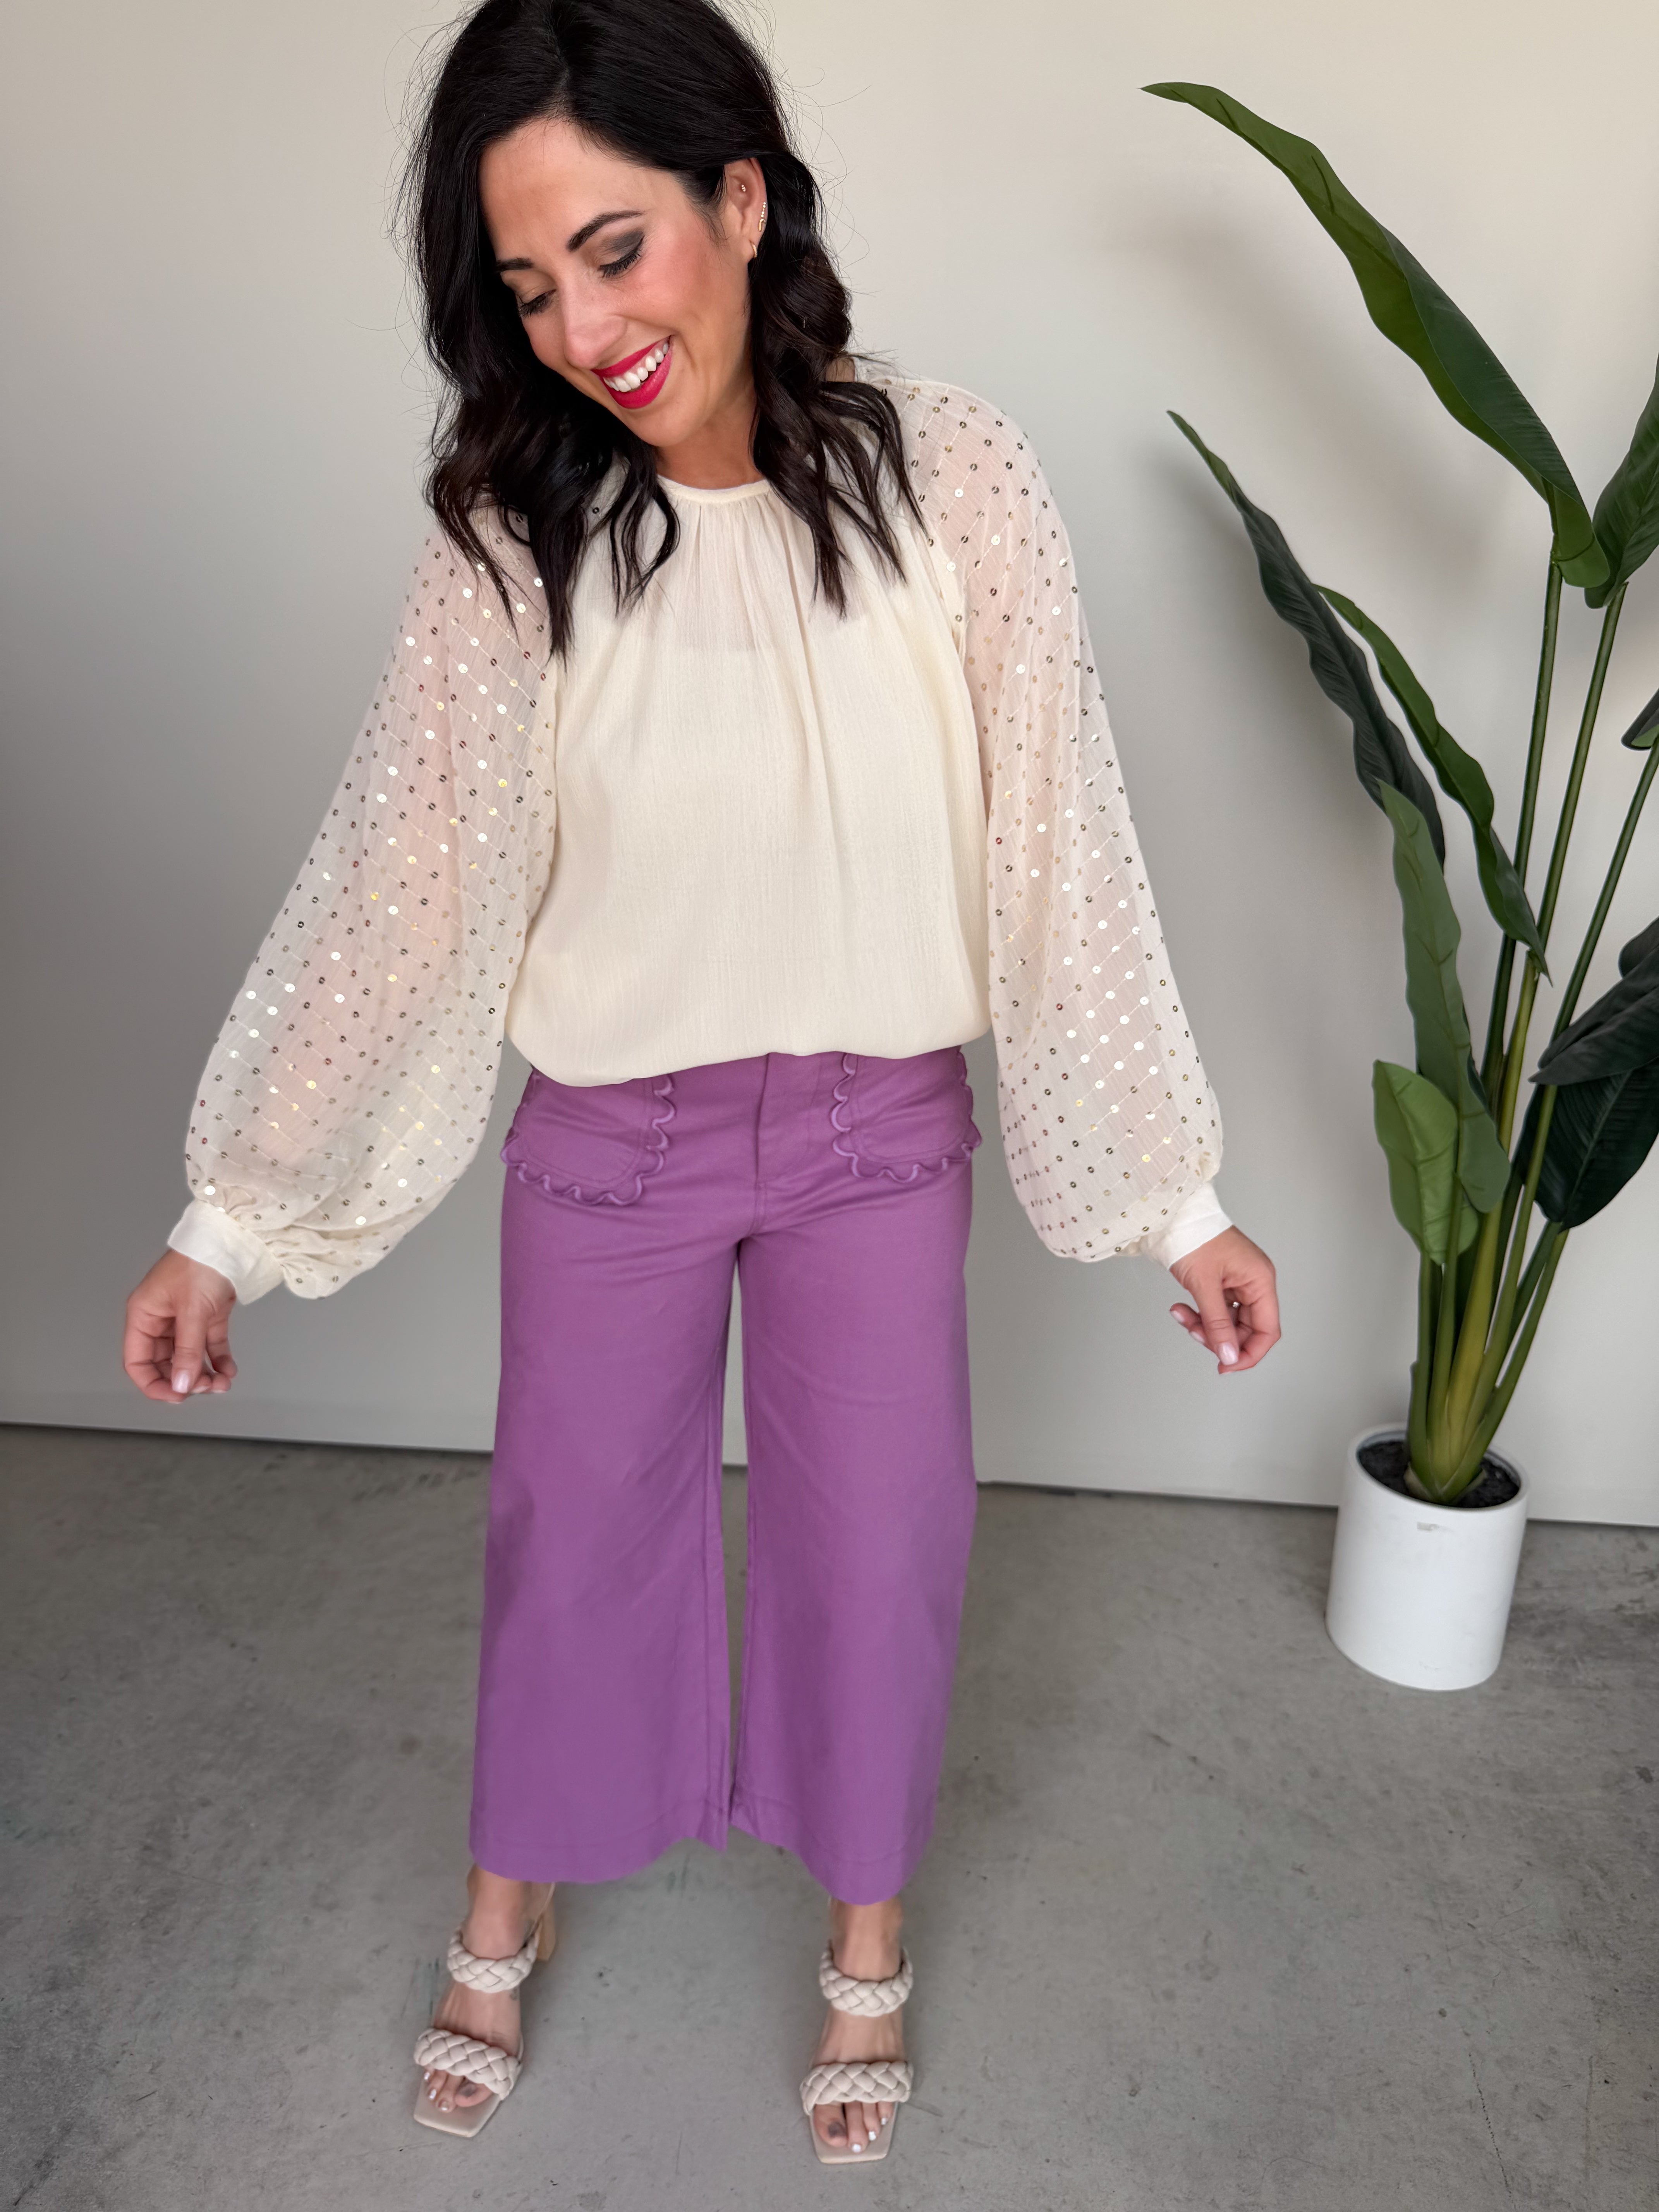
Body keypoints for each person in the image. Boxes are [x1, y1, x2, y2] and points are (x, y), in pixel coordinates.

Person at [122, 0, 1280, 2166]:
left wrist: (1173, 1198)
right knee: (571, 1537)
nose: (585, 329)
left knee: (882, 1544)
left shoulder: (954, 479)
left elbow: (1060, 835)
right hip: (615, 1143)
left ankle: (868, 1934)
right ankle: (510, 1896)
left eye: (617, 249)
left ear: (743, 199)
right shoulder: (515, 533)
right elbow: (404, 886)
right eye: (530, 287)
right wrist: (235, 1222)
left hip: (876, 1138)